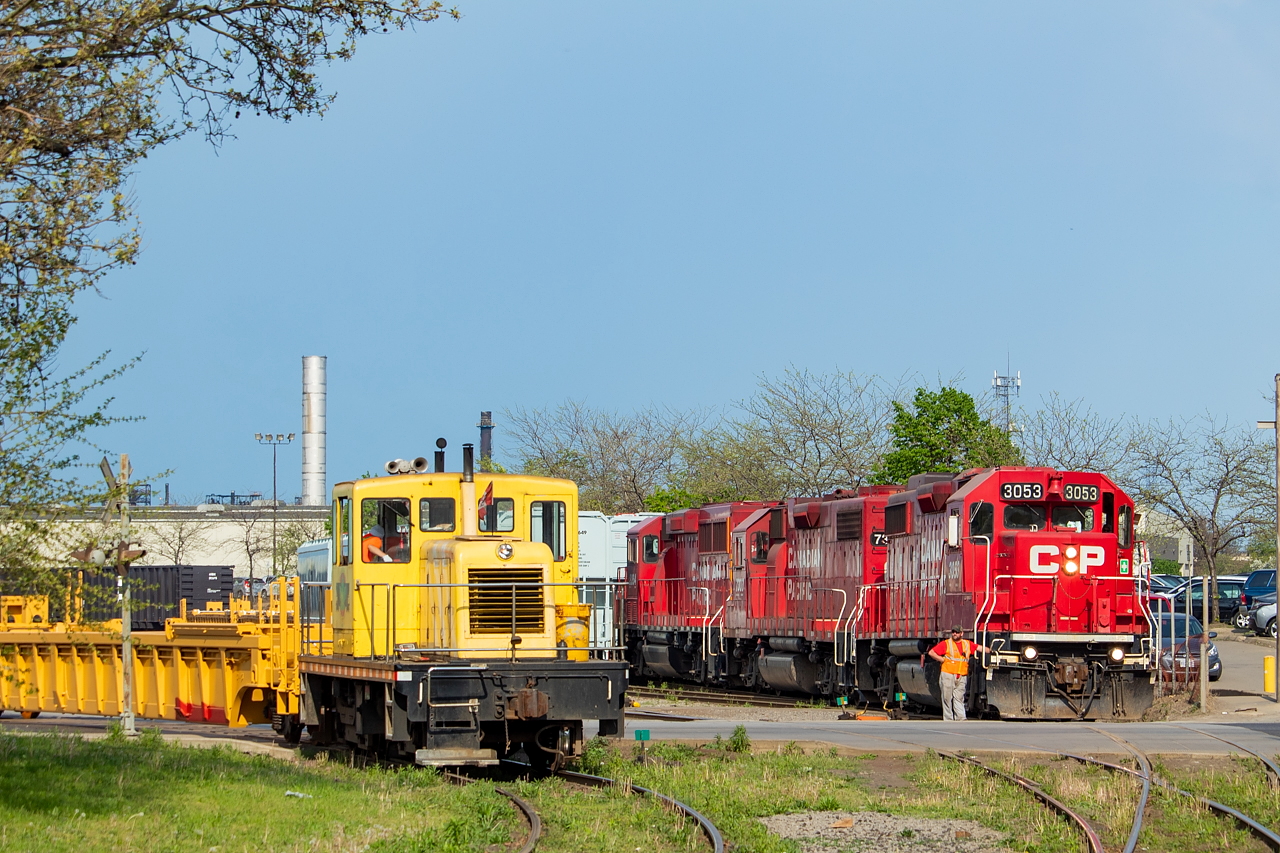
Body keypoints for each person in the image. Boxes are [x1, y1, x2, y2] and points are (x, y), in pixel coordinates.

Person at [927, 625, 991, 721]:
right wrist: (941, 659)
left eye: (956, 632)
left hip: (961, 675)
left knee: (959, 697)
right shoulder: (946, 644)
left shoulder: (967, 644)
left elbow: (979, 648)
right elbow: (931, 652)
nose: (954, 634)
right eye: (953, 632)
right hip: (948, 674)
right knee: (946, 697)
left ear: (962, 633)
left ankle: (961, 717)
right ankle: (948, 718)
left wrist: (991, 650)